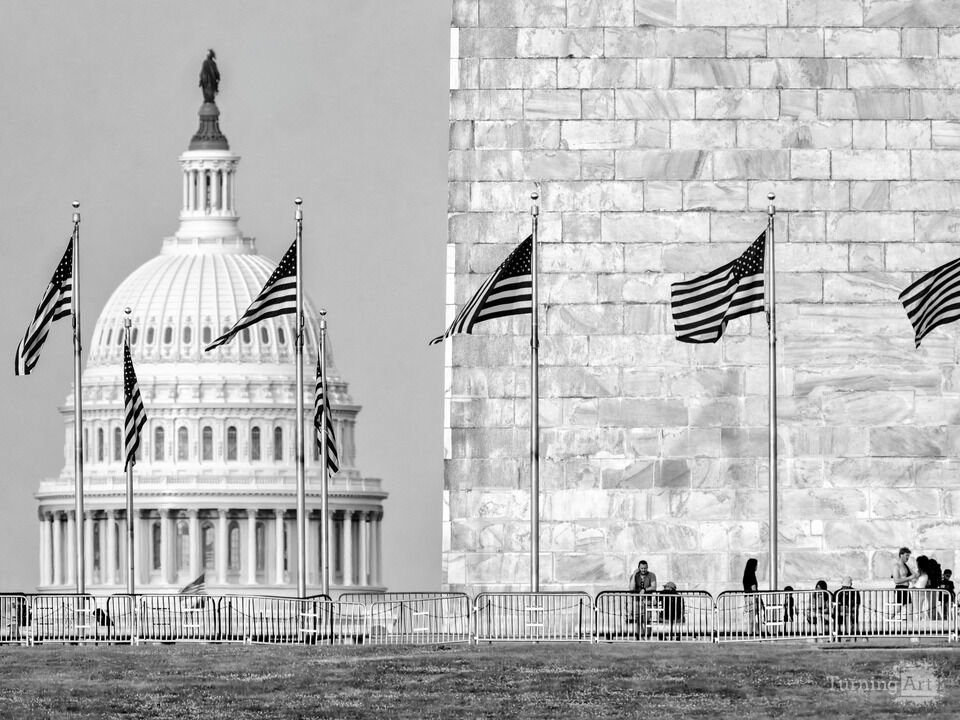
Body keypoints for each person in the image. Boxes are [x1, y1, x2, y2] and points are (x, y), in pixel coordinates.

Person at [628, 560, 657, 639]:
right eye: (641, 568)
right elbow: (631, 588)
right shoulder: (634, 575)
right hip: (637, 601)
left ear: (647, 568)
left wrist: (645, 589)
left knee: (647, 619)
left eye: (645, 568)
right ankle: (641, 636)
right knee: (638, 620)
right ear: (638, 568)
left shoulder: (652, 575)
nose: (643, 570)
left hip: (648, 600)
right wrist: (634, 574)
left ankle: (647, 637)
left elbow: (654, 586)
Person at [891, 547, 917, 620]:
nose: (908, 557)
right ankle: (886, 621)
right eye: (906, 555)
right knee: (898, 608)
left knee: (909, 608)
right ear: (901, 555)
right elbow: (896, 581)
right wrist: (910, 578)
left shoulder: (906, 566)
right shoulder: (896, 566)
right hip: (900, 589)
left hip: (906, 589)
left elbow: (914, 575)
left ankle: (909, 627)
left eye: (908, 555)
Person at [741, 558, 760, 634]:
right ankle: (752, 633)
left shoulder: (746, 574)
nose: (756, 567)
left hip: (747, 597)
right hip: (752, 597)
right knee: (753, 617)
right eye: (756, 565)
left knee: (751, 617)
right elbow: (753, 588)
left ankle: (753, 632)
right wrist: (757, 598)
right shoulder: (751, 574)